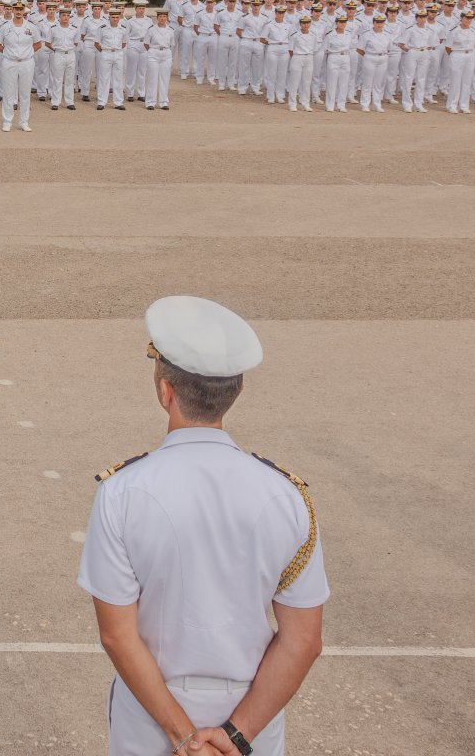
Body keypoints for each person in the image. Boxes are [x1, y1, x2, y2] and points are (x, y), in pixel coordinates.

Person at [80, 296, 327, 756]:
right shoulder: (288, 498)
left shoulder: (122, 494)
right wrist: (236, 735)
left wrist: (184, 737)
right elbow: (304, 639)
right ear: (237, 393)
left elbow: (117, 633)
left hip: (152, 713)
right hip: (254, 712)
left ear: (165, 391)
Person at [0, 14, 40, 133]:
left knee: (25, 94)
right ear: (13, 10)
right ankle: (7, 121)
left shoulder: (31, 27)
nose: (19, 11)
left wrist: (27, 53)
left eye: (21, 9)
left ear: (24, 10)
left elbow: (38, 43)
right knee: (8, 93)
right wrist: (8, 53)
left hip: (26, 62)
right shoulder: (5, 27)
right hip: (10, 62)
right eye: (16, 9)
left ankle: (24, 122)